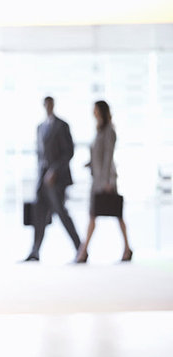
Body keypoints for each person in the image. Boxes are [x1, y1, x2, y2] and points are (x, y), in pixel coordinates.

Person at [24, 96, 81, 262]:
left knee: (61, 213)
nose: (48, 106)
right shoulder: (40, 127)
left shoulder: (62, 126)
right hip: (42, 179)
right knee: (38, 215)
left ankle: (80, 248)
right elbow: (40, 153)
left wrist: (55, 170)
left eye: (51, 104)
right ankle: (35, 251)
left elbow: (69, 151)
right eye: (46, 104)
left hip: (57, 180)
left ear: (54, 105)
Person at [75, 100, 132, 263]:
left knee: (115, 214)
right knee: (97, 215)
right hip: (97, 179)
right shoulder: (99, 131)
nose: (93, 113)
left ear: (101, 111)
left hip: (106, 181)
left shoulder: (109, 131)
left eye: (95, 110)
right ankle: (85, 251)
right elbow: (98, 156)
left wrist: (107, 182)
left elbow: (108, 157)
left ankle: (85, 251)